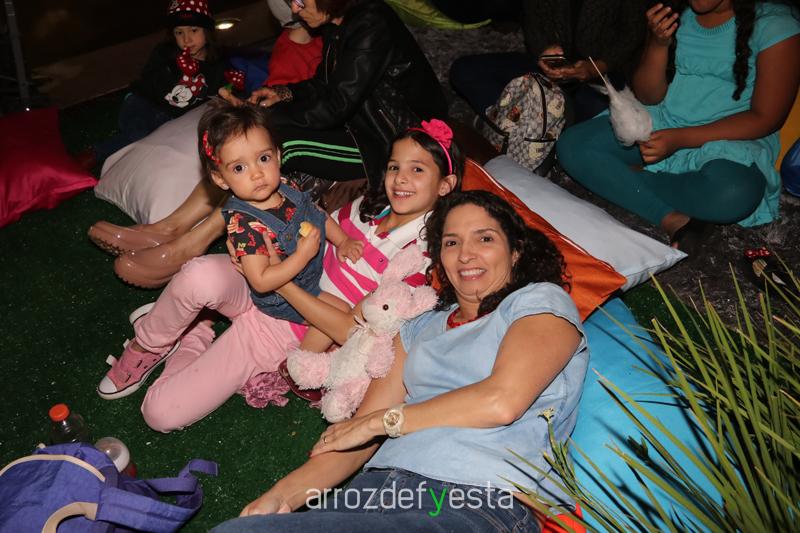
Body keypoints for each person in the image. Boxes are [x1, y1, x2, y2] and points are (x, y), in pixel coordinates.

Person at [210, 190, 588, 532]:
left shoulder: (539, 302)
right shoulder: (419, 326)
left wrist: (382, 422)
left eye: (484, 238)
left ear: (516, 250)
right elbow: (355, 442)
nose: (466, 254)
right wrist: (281, 497)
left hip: (476, 500)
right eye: (451, 242)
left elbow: (502, 401)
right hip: (372, 493)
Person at [102, 120, 462, 432]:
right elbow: (314, 225)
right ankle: (148, 345)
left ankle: (194, 333)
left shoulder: (419, 260)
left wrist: (282, 283)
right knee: (199, 274)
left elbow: (353, 334)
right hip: (269, 278)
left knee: (160, 413)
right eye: (394, 166)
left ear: (445, 184)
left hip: (285, 328)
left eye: (417, 170)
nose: (400, 178)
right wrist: (261, 250)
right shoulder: (366, 207)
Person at [87, 0, 448, 288]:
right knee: (250, 138)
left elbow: (337, 103)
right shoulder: (340, 25)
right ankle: (168, 227)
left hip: (388, 145)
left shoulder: (371, 23)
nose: (295, 9)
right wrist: (282, 93)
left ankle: (189, 245)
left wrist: (266, 121)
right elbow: (325, 85)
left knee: (274, 148)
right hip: (359, 126)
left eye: (300, 0)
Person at [96, 102, 358, 400]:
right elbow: (261, 281)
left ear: (278, 156)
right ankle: (295, 367)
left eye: (263, 159)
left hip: (303, 280)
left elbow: (316, 214)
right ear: (220, 179)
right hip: (277, 298)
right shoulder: (244, 224)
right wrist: (302, 255)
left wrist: (342, 240)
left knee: (341, 316)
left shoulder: (287, 187)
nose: (257, 174)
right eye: (239, 168)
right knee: (338, 315)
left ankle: (189, 323)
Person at [556, 0, 800, 253]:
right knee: (573, 146)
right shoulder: (678, 13)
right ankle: (672, 218)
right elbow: (649, 96)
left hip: (733, 139)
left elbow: (765, 118)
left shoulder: (775, 25)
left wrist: (680, 139)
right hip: (668, 120)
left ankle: (622, 177)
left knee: (733, 193)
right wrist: (657, 44)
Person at [78, 0, 228, 170]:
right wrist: (176, 70)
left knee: (163, 147)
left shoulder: (215, 63)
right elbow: (150, 81)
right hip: (143, 103)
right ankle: (94, 153)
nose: (187, 39)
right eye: (179, 32)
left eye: (194, 30)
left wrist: (230, 86)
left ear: (207, 31)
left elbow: (216, 93)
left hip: (170, 118)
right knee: (138, 136)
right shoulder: (165, 52)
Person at [449, 0, 647, 124]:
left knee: (600, 111)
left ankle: (515, 124)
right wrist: (545, 54)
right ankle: (524, 126)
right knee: (464, 70)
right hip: (549, 69)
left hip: (600, 76)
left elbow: (633, 32)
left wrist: (597, 67)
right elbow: (532, 19)